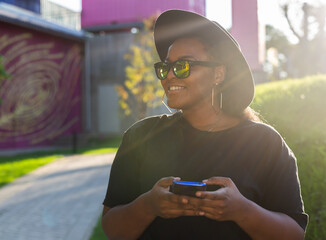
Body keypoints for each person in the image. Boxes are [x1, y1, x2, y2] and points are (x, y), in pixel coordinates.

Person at [101, 10, 308, 240]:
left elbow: (294, 235)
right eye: (165, 67)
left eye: (183, 66)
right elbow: (112, 229)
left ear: (218, 73)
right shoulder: (140, 138)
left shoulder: (265, 144)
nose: (169, 75)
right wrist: (149, 205)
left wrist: (242, 211)